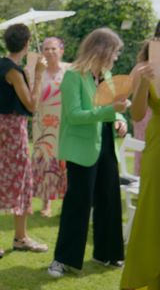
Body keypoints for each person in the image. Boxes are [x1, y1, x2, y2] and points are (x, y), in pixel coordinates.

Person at [48, 28, 128, 278]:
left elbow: (112, 109)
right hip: (81, 149)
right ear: (102, 50)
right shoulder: (73, 76)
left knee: (109, 200)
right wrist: (109, 112)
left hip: (106, 145)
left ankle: (107, 254)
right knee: (77, 205)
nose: (115, 57)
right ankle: (62, 260)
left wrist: (119, 119)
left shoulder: (106, 75)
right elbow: (74, 115)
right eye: (114, 52)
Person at [0, 23, 48, 259]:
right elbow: (32, 106)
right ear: (26, 44)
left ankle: (20, 237)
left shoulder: (2, 66)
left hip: (7, 128)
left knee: (19, 180)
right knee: (8, 181)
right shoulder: (13, 71)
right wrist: (37, 75)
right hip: (14, 130)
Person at [120, 26, 160, 290]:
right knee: (153, 213)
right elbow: (136, 115)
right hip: (158, 150)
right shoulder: (147, 68)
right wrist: (145, 83)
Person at [31, 36, 69, 217]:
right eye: (46, 48)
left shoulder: (70, 70)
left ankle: (67, 202)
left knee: (66, 164)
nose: (50, 52)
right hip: (43, 126)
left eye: (54, 48)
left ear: (61, 50)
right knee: (46, 164)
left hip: (65, 125)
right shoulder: (38, 72)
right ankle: (46, 203)